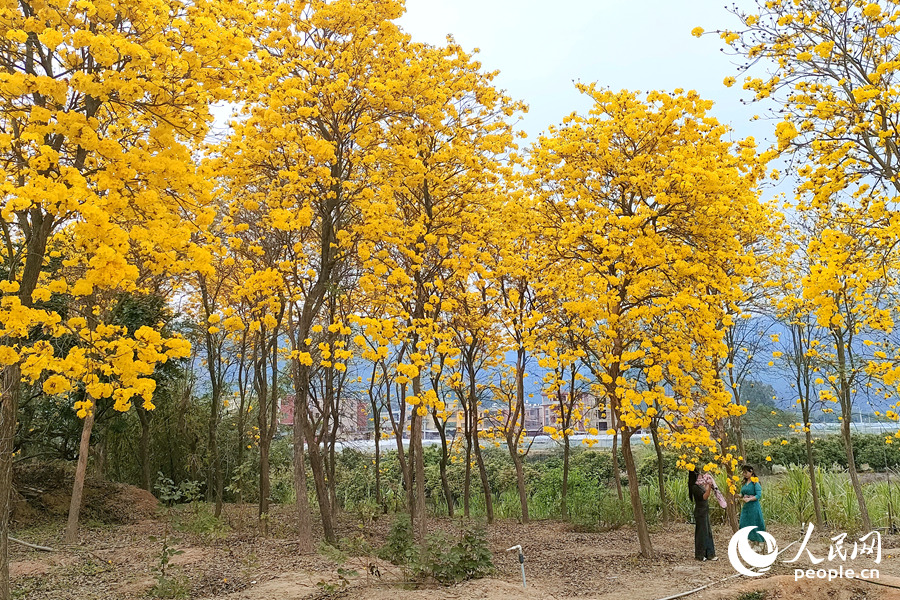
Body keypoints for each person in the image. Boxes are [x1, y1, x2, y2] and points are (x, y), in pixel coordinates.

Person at [688, 468, 717, 561]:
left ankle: (710, 554)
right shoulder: (694, 487)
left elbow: (705, 491)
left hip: (704, 510)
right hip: (700, 512)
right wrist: (708, 486)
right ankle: (700, 555)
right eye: (698, 474)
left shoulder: (698, 485)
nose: (700, 475)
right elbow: (704, 496)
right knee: (701, 533)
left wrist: (708, 485)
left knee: (707, 532)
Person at [739, 464, 766, 551]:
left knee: (754, 523)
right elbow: (742, 494)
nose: (744, 474)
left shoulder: (755, 483)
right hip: (746, 507)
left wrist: (750, 499)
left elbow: (758, 495)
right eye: (743, 472)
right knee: (744, 523)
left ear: (751, 472)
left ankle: (758, 543)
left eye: (746, 472)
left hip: (753, 506)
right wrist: (736, 495)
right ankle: (751, 540)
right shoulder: (745, 483)